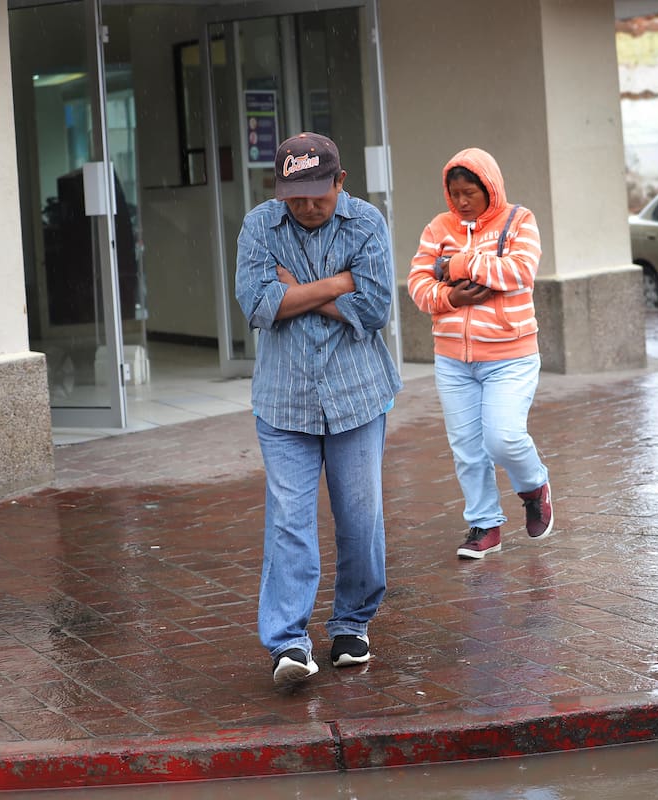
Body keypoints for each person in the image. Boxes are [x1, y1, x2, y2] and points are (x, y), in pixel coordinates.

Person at [235, 132, 402, 687]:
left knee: (360, 517)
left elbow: (374, 308)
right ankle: (288, 641)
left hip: (357, 395)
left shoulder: (367, 223)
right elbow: (258, 304)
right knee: (290, 520)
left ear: (340, 182)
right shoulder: (260, 226)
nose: (307, 207)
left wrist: (298, 291)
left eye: (318, 196)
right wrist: (337, 285)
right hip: (283, 402)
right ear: (279, 191)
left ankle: (352, 623)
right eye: (295, 197)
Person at [407, 147, 554, 560]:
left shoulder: (519, 221)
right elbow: (418, 285)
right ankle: (485, 524)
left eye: (469, 193)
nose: (461, 202)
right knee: (467, 449)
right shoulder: (438, 228)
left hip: (511, 356)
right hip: (453, 359)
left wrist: (455, 265)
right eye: (454, 194)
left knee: (503, 438)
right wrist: (450, 297)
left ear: (490, 188)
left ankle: (534, 486)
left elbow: (520, 271)